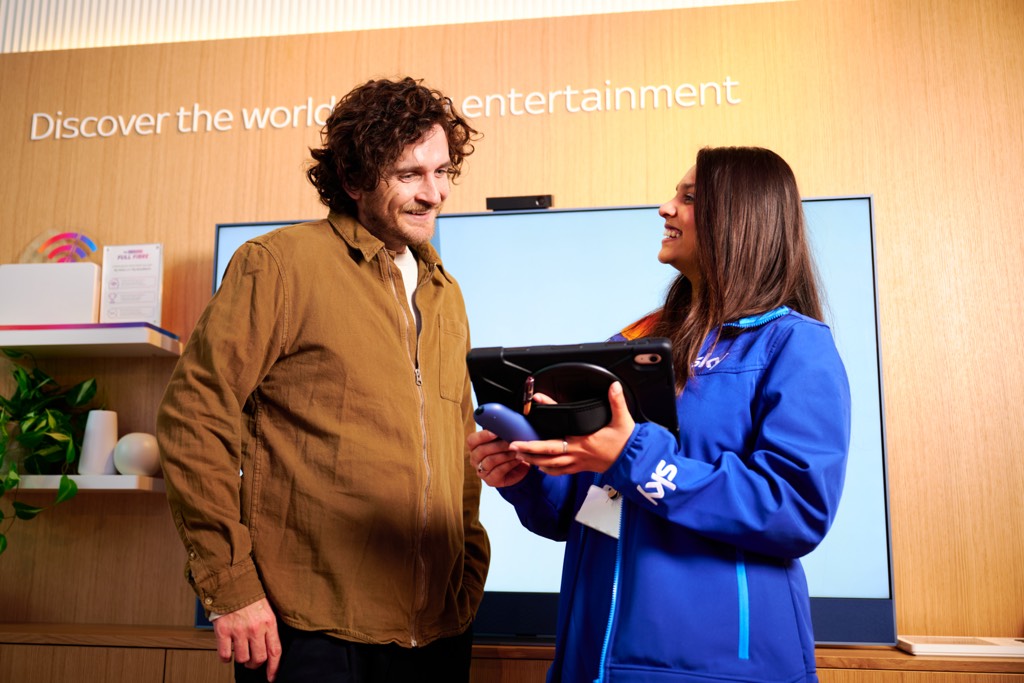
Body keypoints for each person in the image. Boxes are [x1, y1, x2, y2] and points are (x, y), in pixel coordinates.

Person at [468, 146, 851, 683]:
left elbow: (796, 507)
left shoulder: (795, 346)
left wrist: (637, 457)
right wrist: (528, 473)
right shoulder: (636, 344)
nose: (665, 208)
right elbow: (581, 508)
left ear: (740, 220)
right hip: (591, 659)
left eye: (688, 198)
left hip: (714, 669)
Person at [157, 77, 490, 683]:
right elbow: (193, 420)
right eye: (409, 174)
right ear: (356, 178)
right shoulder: (278, 265)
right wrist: (231, 587)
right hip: (308, 627)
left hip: (439, 629)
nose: (434, 193)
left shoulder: (447, 293)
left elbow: (456, 441)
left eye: (443, 172)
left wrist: (466, 576)